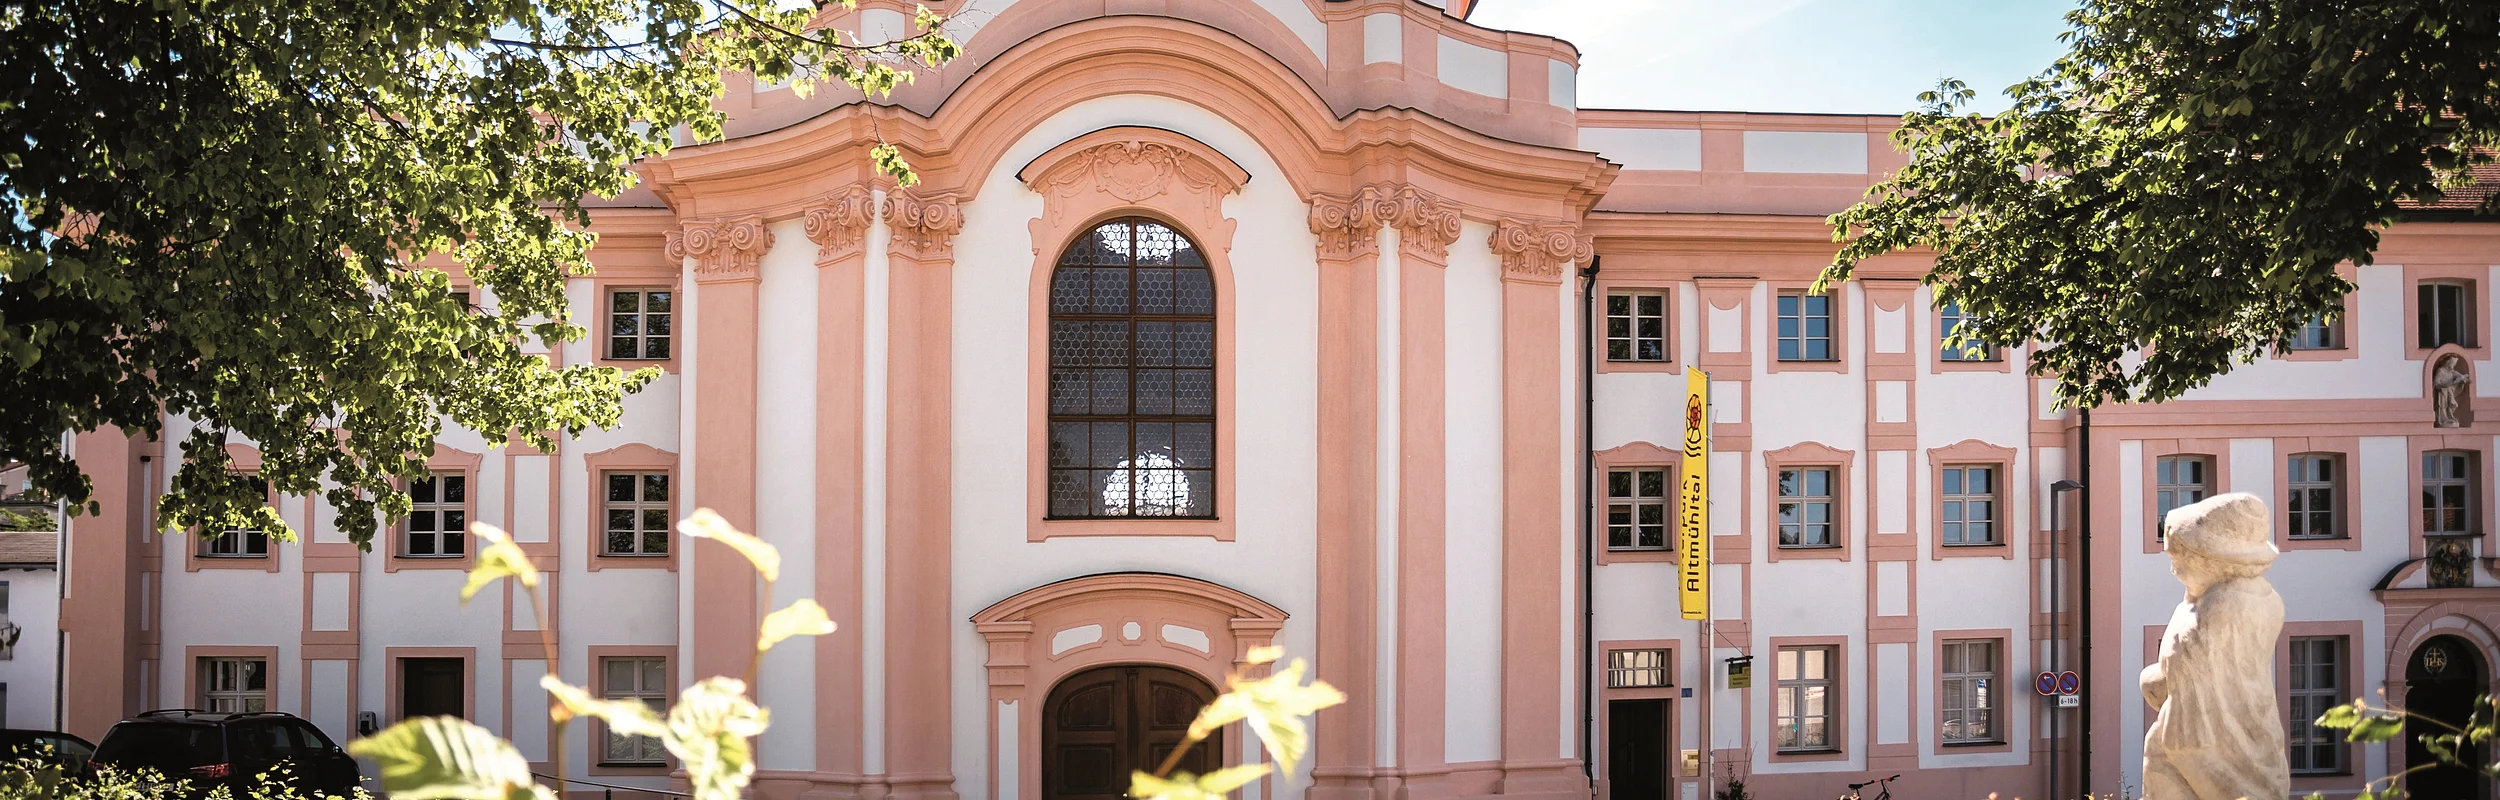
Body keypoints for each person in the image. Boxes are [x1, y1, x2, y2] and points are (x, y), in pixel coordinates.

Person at [2140, 493, 2288, 800]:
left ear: (2209, 557)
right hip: (2254, 739)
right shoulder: (2263, 596)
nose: (2174, 570)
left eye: (2177, 559)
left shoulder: (2221, 606)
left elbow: (2185, 683)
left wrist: (2150, 681)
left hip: (2198, 750)